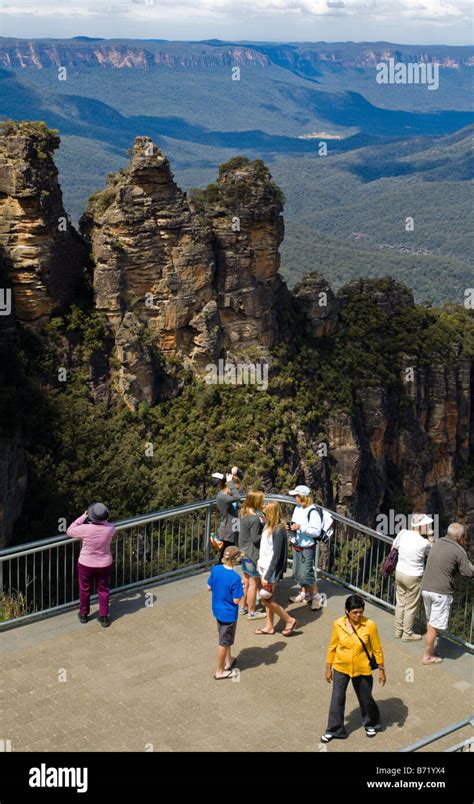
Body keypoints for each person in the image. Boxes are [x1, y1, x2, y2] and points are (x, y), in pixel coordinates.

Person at [321, 594, 385, 742]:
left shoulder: (370, 625)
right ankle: (335, 729)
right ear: (346, 611)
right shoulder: (338, 624)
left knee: (365, 698)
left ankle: (371, 723)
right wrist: (328, 668)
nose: (358, 615)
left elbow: (377, 649)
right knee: (337, 698)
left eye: (360, 611)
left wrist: (382, 670)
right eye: (354, 612)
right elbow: (332, 647)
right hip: (340, 667)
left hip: (362, 668)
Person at [420, 522, 473, 665]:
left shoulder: (437, 543)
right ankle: (427, 656)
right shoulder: (458, 550)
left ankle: (430, 651)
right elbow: (468, 571)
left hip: (426, 588)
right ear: (460, 537)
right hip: (440, 592)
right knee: (433, 625)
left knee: (430, 621)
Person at [66, 503, 116, 627]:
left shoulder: (85, 529)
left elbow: (70, 530)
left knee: (85, 589)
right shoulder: (110, 529)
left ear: (91, 516)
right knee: (103, 590)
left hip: (86, 564)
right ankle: (104, 617)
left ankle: (84, 615)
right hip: (104, 564)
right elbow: (107, 524)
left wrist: (83, 517)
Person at [254, 501, 298, 637]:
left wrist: (267, 575)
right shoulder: (268, 526)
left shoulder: (278, 530)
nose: (263, 515)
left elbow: (276, 555)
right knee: (270, 598)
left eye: (265, 512)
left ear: (271, 514)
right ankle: (269, 626)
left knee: (265, 600)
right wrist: (259, 563)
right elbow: (266, 549)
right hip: (264, 568)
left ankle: (289, 620)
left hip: (270, 571)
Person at [393, 513, 434, 641]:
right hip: (414, 576)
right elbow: (432, 554)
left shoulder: (403, 533)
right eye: (426, 525)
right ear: (421, 526)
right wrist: (431, 536)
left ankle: (398, 631)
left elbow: (393, 547)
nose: (428, 526)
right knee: (410, 606)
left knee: (400, 602)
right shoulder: (424, 542)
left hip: (399, 572)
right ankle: (407, 634)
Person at [207, 545, 244, 679]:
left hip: (217, 610)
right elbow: (235, 600)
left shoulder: (216, 569)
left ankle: (229, 661)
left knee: (224, 638)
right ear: (236, 560)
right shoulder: (235, 578)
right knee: (223, 642)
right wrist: (242, 589)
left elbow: (208, 587)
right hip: (228, 614)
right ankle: (220, 671)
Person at [287, 485, 324, 611]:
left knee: (306, 573)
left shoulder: (312, 512)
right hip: (297, 544)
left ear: (302, 497)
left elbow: (316, 532)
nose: (294, 498)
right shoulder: (297, 508)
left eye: (296, 496)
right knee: (298, 572)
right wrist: (291, 528)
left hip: (307, 547)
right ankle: (304, 593)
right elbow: (295, 523)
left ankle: (316, 597)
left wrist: (300, 527)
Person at [238, 490, 266, 620]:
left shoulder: (243, 513)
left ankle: (242, 608)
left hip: (243, 551)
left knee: (245, 581)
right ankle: (252, 612)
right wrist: (265, 528)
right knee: (253, 584)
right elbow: (256, 539)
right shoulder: (255, 519)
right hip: (252, 553)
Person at [214, 467, 244, 563]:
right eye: (235, 489)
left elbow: (240, 479)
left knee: (231, 554)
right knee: (225, 556)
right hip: (227, 531)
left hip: (234, 526)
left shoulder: (227, 495)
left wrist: (236, 472)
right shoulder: (222, 497)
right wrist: (231, 483)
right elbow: (237, 497)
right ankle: (218, 573)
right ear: (229, 486)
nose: (236, 490)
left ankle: (223, 573)